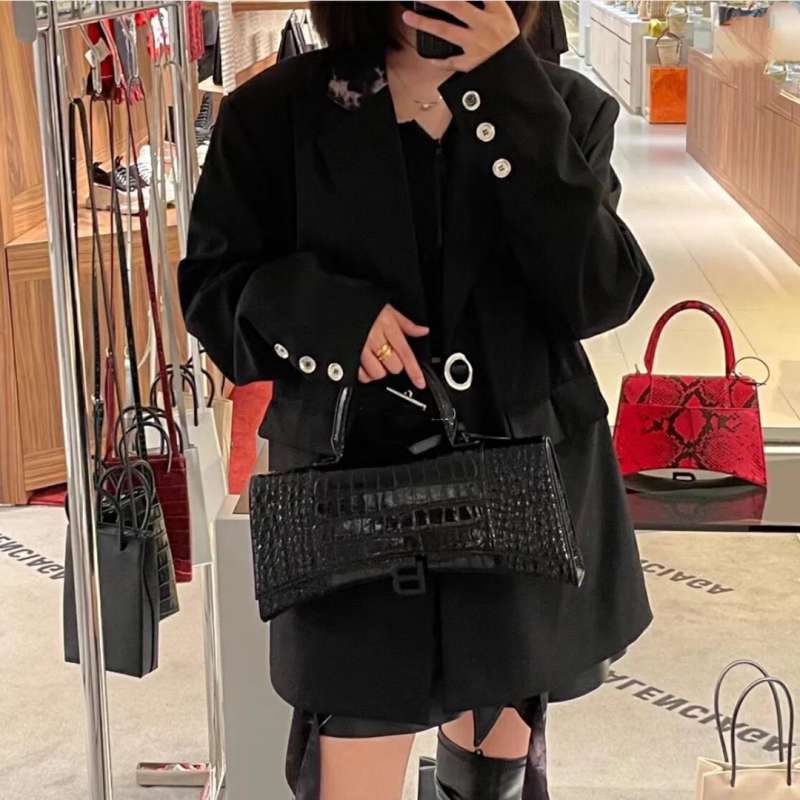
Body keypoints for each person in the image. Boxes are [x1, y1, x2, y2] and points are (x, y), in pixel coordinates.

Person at [179, 2, 654, 798]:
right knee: (352, 761)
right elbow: (212, 291)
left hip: (519, 498)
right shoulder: (276, 112)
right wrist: (328, 317)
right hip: (350, 499)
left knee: (493, 777)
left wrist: (508, 87)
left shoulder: (563, 108)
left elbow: (597, 292)